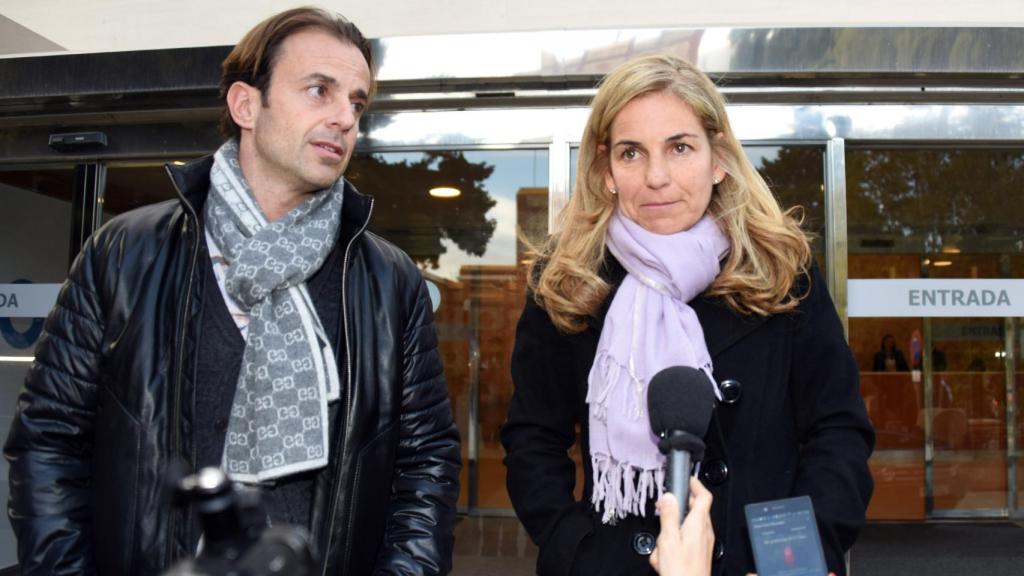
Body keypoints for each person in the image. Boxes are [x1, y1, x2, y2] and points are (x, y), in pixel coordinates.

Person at [5, 7, 460, 575]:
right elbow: (48, 442)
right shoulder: (125, 253)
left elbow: (426, 466)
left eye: (358, 102)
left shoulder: (388, 281)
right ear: (246, 105)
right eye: (320, 90)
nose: (346, 117)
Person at [501, 54, 874, 576]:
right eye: (632, 153)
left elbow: (837, 431)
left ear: (717, 157)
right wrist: (579, 552)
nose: (657, 177)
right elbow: (533, 440)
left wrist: (796, 558)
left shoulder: (782, 269)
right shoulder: (568, 282)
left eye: (679, 147)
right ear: (606, 169)